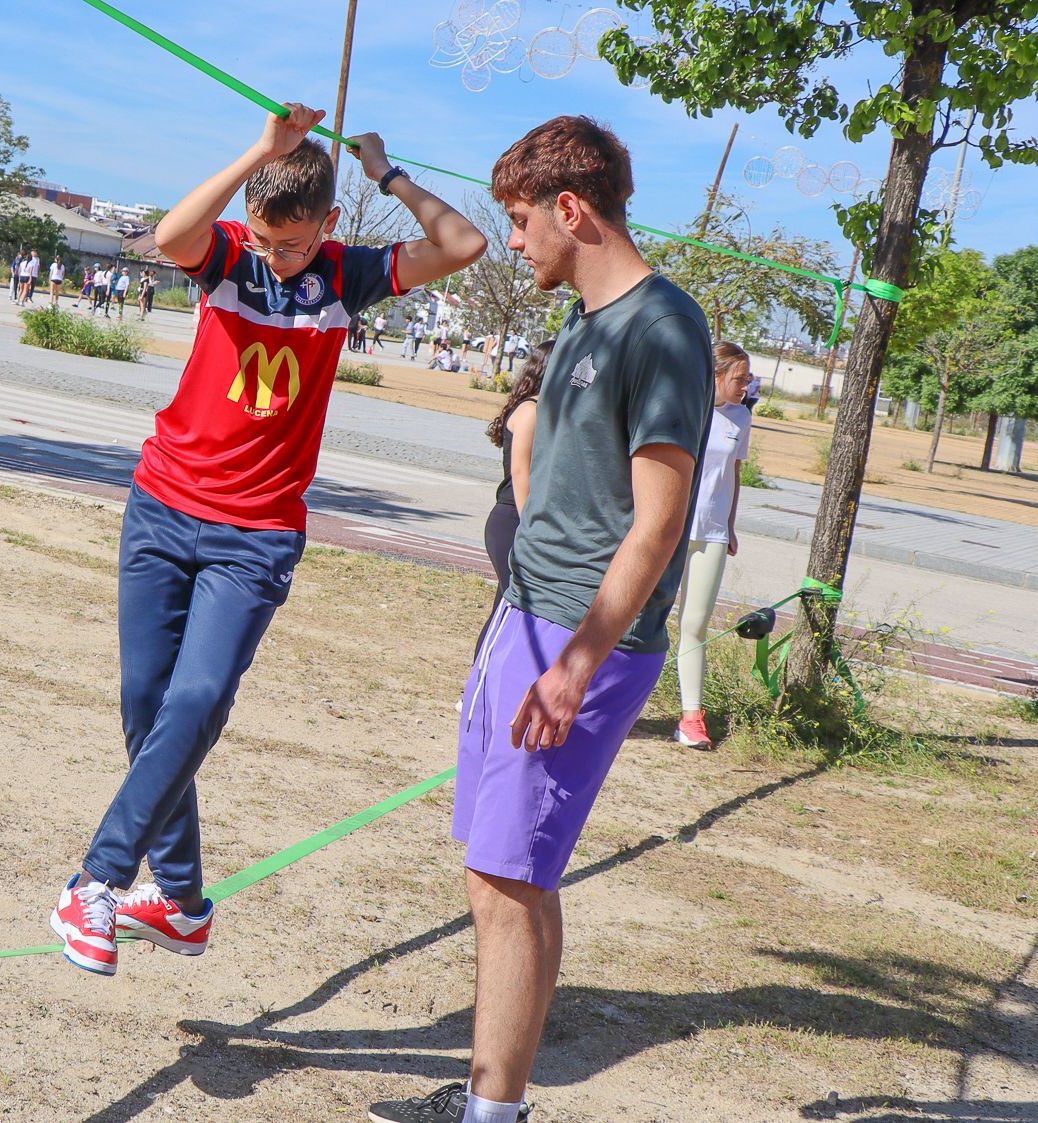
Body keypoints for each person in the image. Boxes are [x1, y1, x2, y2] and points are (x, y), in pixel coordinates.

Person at [47, 103, 484, 977]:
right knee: (146, 707)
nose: (276, 257)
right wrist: (260, 150)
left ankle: (98, 877)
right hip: (164, 506)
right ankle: (178, 900)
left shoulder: (349, 275)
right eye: (266, 238)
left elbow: (465, 245)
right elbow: (171, 232)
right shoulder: (228, 256)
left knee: (198, 700)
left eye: (292, 244)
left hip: (255, 533)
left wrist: (385, 175)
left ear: (325, 225)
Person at [367, 115, 711, 1123]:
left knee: (505, 882)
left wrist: (572, 666)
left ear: (571, 210)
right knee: (505, 874)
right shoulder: (581, 323)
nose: (511, 241)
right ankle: (494, 1100)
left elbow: (656, 527)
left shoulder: (661, 328)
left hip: (577, 644)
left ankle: (491, 1115)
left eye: (519, 221)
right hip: (522, 624)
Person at [673, 342, 754, 749]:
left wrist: (731, 524)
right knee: (636, 618)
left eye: (748, 378)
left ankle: (691, 718)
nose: (746, 385)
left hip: (713, 534)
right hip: (670, 528)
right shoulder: (685, 406)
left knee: (695, 625)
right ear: (717, 375)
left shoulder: (742, 416)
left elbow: (733, 474)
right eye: (740, 378)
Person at [474, 341, 553, 656]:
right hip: (513, 519)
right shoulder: (531, 410)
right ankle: (476, 687)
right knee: (510, 604)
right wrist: (531, 527)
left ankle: (489, 686)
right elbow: (521, 474)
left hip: (525, 519)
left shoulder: (545, 410)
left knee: (509, 604)